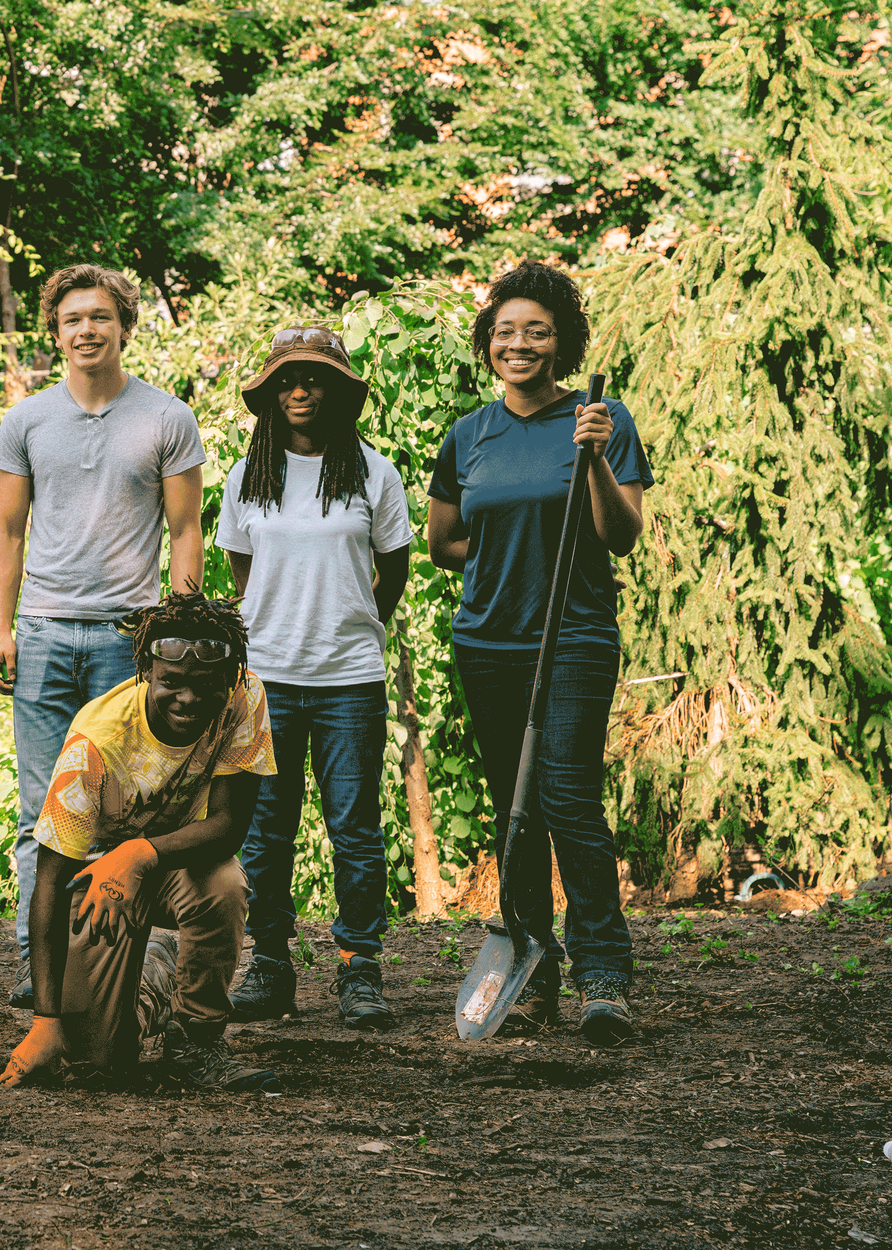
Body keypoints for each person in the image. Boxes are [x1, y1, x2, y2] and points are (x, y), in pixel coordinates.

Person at [425, 261, 652, 1045]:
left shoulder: (601, 419)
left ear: (562, 343)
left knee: (568, 799)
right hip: (488, 640)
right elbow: (444, 543)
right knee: (514, 806)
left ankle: (603, 974)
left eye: (537, 331)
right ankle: (532, 967)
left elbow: (620, 535)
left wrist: (594, 459)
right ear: (488, 342)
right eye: (506, 331)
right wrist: (507, 556)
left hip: (574, 636)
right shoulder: (469, 435)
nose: (519, 344)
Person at [0, 264, 208, 1007]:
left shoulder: (166, 418)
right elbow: (7, 532)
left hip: (128, 640)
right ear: (56, 333)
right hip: (44, 634)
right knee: (42, 812)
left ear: (125, 326)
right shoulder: (26, 421)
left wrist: (176, 633)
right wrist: (2, 630)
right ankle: (39, 965)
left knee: (122, 810)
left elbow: (185, 531)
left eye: (101, 317)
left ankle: (109, 966)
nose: (87, 330)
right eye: (72, 319)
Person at [0, 593, 281, 1091]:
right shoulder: (95, 743)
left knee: (224, 883)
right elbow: (49, 883)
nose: (188, 698)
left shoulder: (244, 696)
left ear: (230, 678)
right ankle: (157, 972)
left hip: (182, 861)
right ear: (146, 671)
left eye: (206, 685)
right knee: (95, 1066)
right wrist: (45, 1021)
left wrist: (139, 852)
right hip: (99, 881)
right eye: (172, 682)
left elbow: (229, 826)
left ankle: (197, 1038)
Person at [218, 328, 412, 1030]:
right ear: (271, 394)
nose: (300, 391)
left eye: (315, 379)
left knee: (354, 829)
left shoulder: (373, 473)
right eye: (287, 380)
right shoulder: (248, 476)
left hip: (349, 680)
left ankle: (360, 968)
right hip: (266, 680)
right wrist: (278, 628)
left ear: (339, 392)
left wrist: (350, 624)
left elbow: (393, 568)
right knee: (264, 834)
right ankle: (270, 964)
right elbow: (244, 574)